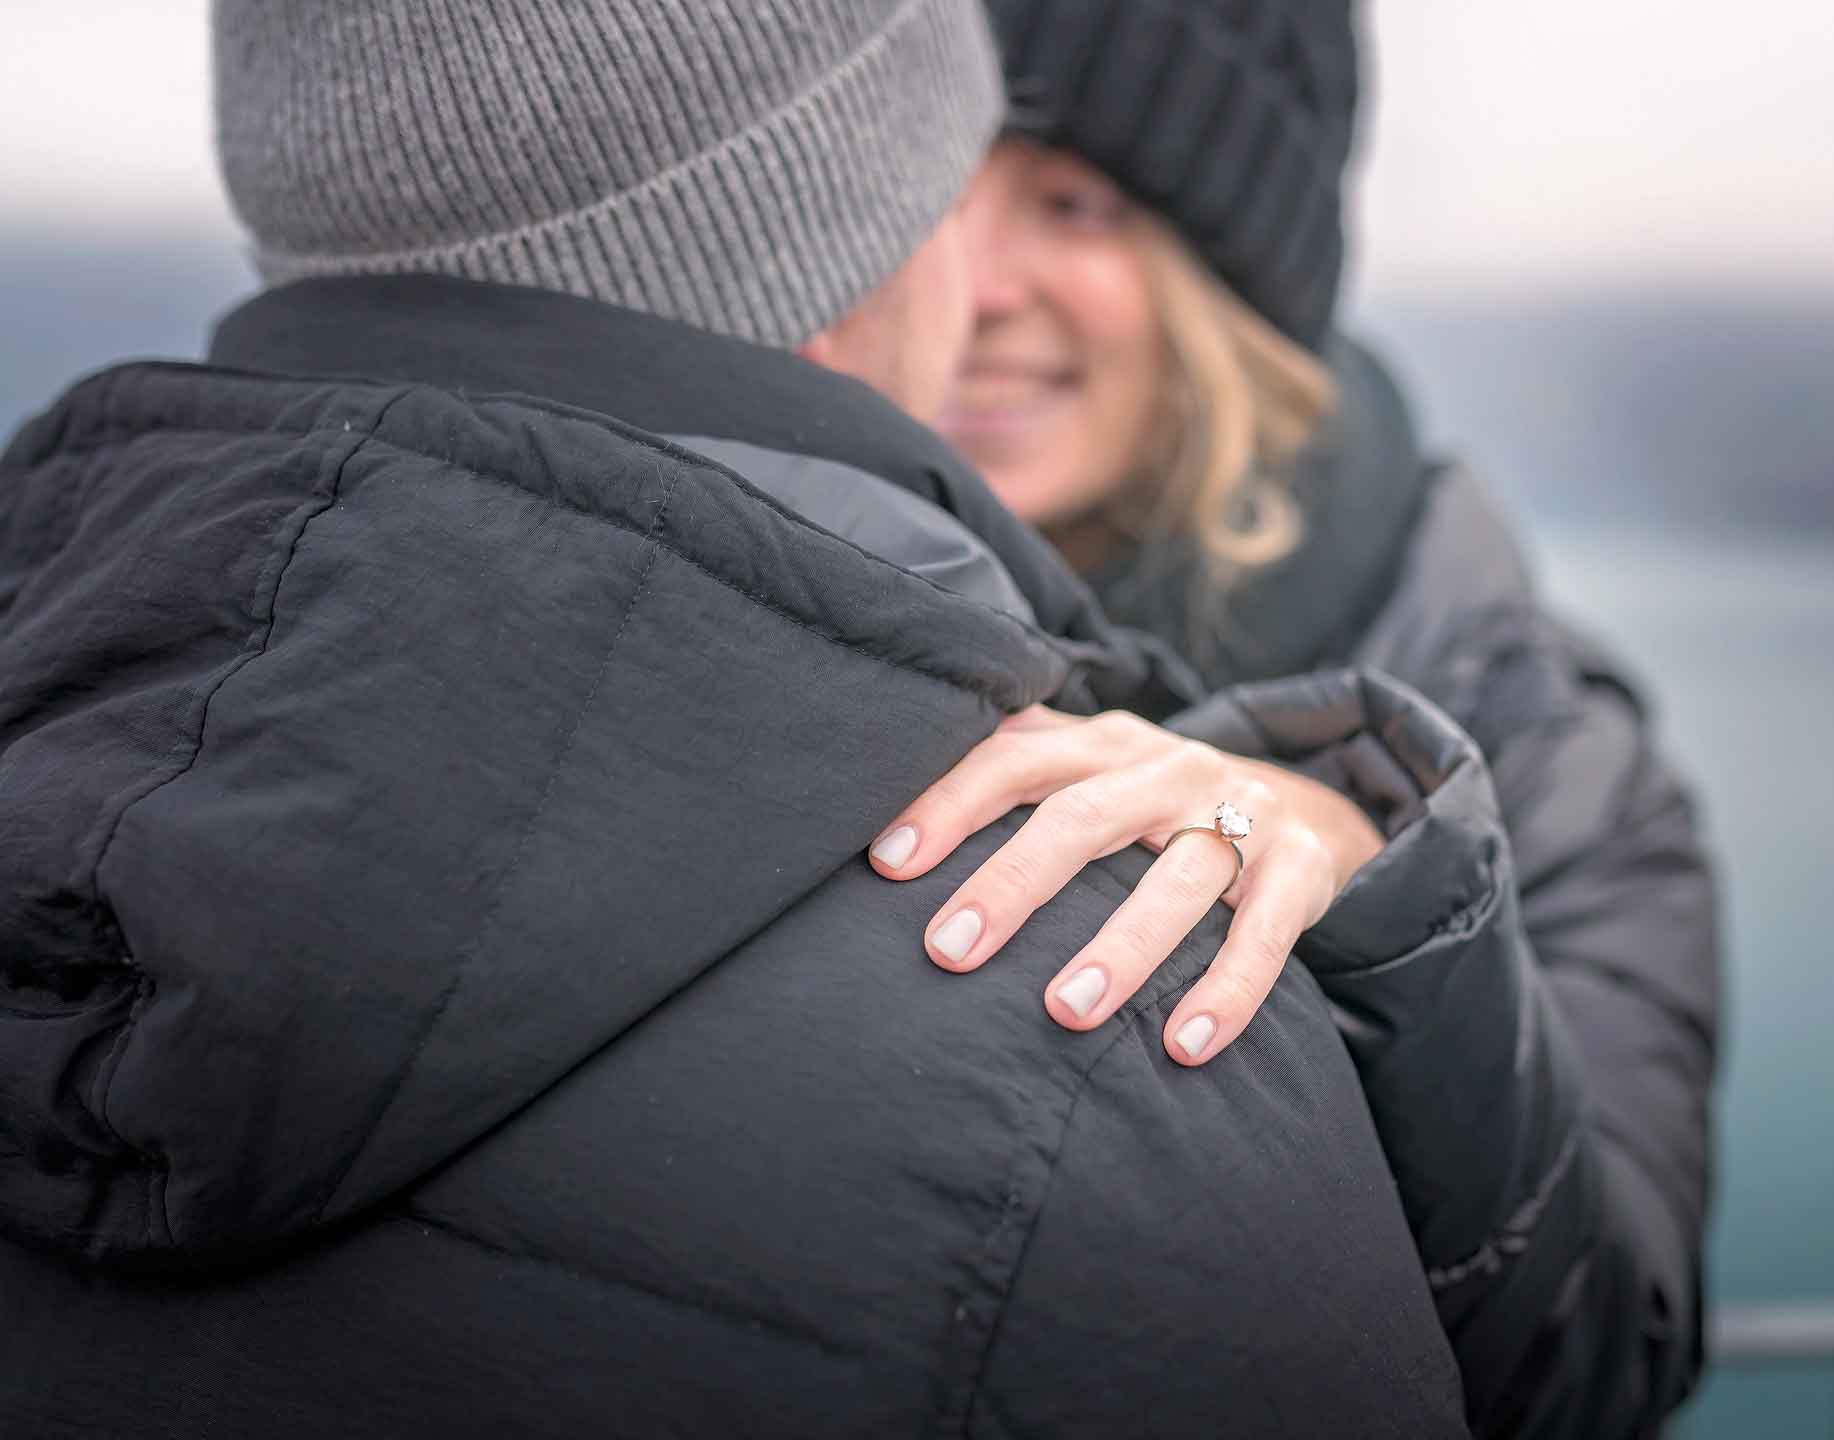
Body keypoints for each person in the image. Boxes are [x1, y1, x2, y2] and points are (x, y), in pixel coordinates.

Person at [0, 2, 1503, 1435]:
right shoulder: (1121, 1042)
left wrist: (1344, 837)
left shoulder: (65, 696)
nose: (990, 283)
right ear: (848, 216)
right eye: (963, 183)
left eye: (1076, 207)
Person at [864, 3, 1721, 1437]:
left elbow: (1596, 1361)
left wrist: (1377, 861)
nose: (975, 279)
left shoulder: (1549, 747)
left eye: (1076, 204)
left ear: (1235, 292)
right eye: (929, 178)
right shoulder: (779, 611)